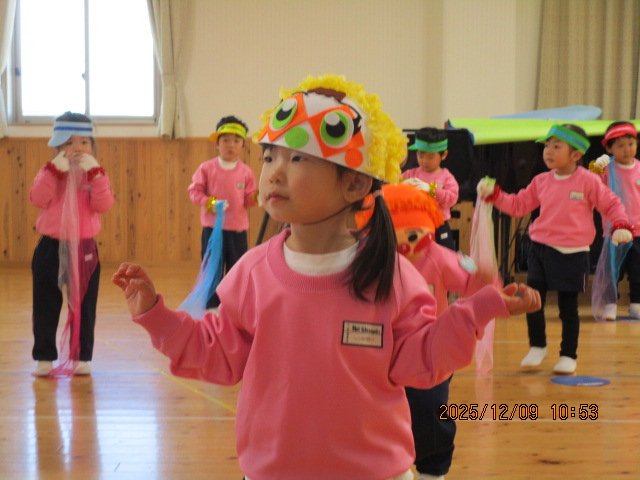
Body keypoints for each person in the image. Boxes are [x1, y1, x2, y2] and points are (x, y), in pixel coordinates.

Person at [113, 74, 540, 480]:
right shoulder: (253, 273)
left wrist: (477, 309)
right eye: (269, 156)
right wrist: (156, 316)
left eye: (298, 158)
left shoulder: (390, 274)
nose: (274, 172)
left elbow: (423, 360)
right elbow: (216, 353)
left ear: (354, 184)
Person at [356, 183, 500, 480]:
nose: (406, 247)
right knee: (378, 413)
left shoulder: (438, 257)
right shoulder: (368, 257)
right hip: (379, 354)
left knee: (430, 412)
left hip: (430, 352)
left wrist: (484, 281)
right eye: (396, 239)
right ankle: (390, 464)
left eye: (414, 236)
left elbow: (470, 284)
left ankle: (433, 470)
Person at [477, 123, 633, 375]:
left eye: (556, 146)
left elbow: (612, 204)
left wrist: (621, 224)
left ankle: (568, 355)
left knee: (568, 308)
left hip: (573, 254)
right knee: (532, 301)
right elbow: (518, 205)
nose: (548, 151)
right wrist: (495, 195)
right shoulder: (541, 181)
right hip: (540, 250)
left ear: (575, 155)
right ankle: (537, 346)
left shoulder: (588, 180)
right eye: (547, 146)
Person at [29, 112, 114, 377]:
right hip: (50, 247)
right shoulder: (49, 172)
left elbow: (104, 205)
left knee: (84, 305)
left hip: (84, 248)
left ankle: (81, 356)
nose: (76, 148)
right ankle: (44, 357)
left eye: (84, 142)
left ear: (92, 147)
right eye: (69, 142)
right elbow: (37, 199)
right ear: (58, 147)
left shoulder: (96, 175)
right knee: (45, 304)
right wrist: (53, 172)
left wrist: (97, 176)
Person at [188, 115, 258, 308]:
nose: (231, 145)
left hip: (237, 231)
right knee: (213, 270)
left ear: (243, 146)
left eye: (236, 141)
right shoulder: (206, 168)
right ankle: (211, 308)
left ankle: (233, 307)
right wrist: (210, 202)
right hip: (213, 231)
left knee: (237, 269)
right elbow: (195, 191)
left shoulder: (246, 172)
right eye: (225, 140)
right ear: (216, 144)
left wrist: (258, 197)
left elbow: (248, 199)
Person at [589, 122, 640, 320]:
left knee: (637, 270)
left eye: (630, 144)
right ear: (609, 149)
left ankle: (636, 305)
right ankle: (610, 304)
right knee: (612, 270)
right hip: (614, 230)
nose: (627, 149)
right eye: (620, 145)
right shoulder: (606, 169)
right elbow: (591, 184)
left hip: (638, 231)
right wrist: (595, 168)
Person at [402, 127, 459, 250]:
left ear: (444, 155)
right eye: (420, 155)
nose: (424, 161)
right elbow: (395, 189)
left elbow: (452, 199)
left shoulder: (446, 177)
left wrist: (431, 190)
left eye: (430, 157)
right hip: (416, 224)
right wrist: (402, 184)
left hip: (439, 225)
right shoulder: (410, 174)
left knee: (446, 253)